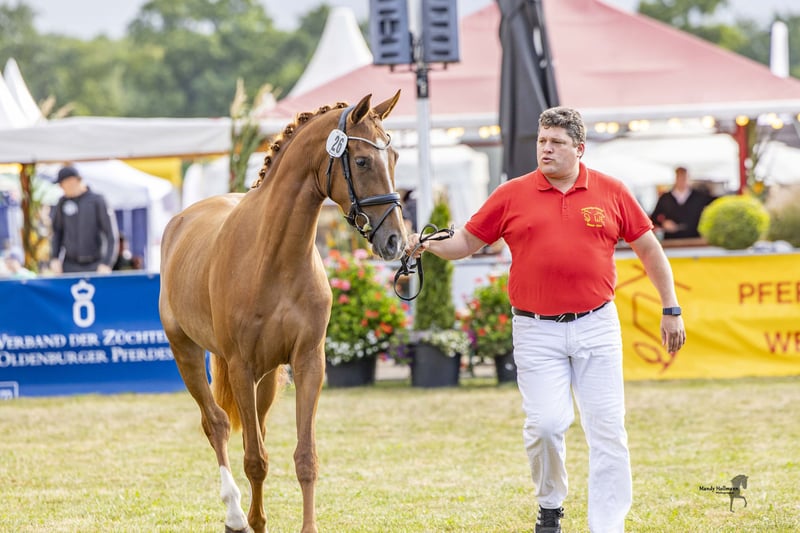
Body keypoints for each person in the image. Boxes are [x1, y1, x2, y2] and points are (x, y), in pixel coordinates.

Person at [406, 107, 685, 533]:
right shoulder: (511, 194)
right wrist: (426, 244)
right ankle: (550, 505)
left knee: (608, 430)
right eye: (542, 141)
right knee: (546, 426)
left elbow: (649, 249)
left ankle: (608, 525)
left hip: (596, 324)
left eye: (556, 142)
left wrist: (670, 308)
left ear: (580, 148)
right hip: (535, 328)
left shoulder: (612, 191)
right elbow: (465, 242)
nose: (546, 149)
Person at [49, 165, 118, 274]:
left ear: (72, 181)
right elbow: (57, 232)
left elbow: (111, 234)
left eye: (62, 184)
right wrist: (55, 258)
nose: (61, 188)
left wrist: (107, 263)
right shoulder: (62, 203)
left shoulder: (97, 201)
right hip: (70, 265)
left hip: (95, 264)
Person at [649, 166, 713, 240]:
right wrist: (664, 223)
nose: (682, 181)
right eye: (679, 177)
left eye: (684, 178)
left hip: (694, 239)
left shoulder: (699, 197)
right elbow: (654, 217)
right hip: (672, 240)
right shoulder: (665, 198)